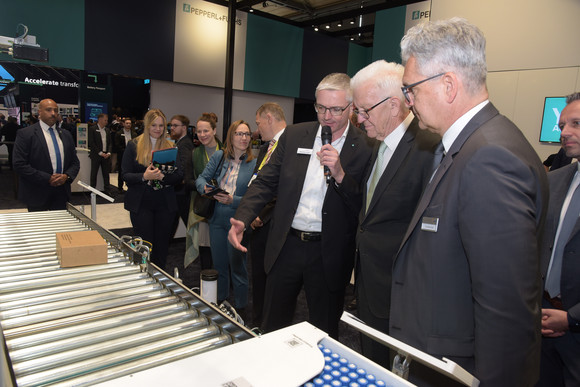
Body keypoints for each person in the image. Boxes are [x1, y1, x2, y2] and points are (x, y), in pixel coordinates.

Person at [389, 18, 548, 386]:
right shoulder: (470, 147)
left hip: (459, 371)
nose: (408, 101)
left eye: (410, 89)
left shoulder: (490, 159)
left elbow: (506, 315)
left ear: (448, 85)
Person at [228, 73, 374, 338]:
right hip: (287, 245)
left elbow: (364, 205)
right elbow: (265, 181)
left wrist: (340, 174)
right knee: (273, 324)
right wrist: (243, 217)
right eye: (321, 107)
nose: (327, 116)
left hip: (328, 252)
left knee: (324, 331)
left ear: (351, 107)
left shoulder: (367, 147)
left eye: (336, 109)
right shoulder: (295, 135)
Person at [350, 60, 440, 367]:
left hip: (401, 295)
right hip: (369, 283)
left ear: (392, 105)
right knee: (372, 362)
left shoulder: (429, 147)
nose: (359, 120)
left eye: (364, 110)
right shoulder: (379, 142)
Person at [537, 92, 580, 386]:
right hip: (540, 325)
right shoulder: (554, 180)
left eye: (576, 123)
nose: (564, 132)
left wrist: (571, 318)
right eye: (563, 125)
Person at [196, 120, 256, 314]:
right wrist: (204, 188)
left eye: (247, 134)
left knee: (237, 267)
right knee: (219, 264)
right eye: (239, 134)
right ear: (231, 136)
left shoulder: (254, 163)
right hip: (216, 218)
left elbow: (254, 197)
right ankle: (221, 304)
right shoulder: (220, 156)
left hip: (238, 220)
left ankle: (240, 308)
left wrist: (234, 200)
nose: (244, 138)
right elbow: (201, 178)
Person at [122, 109, 183, 270]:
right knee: (144, 247)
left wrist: (163, 177)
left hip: (165, 205)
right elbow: (125, 175)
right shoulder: (133, 145)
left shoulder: (171, 146)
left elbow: (179, 176)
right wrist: (144, 176)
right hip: (141, 204)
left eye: (161, 125)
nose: (158, 129)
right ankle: (142, 278)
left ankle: (160, 279)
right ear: (147, 125)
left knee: (162, 247)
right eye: (154, 125)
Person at [248, 102, 287, 326]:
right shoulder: (265, 148)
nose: (257, 129)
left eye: (258, 123)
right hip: (257, 224)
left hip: (275, 224)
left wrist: (262, 214)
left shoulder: (290, 145)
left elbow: (285, 188)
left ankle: (270, 327)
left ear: (269, 118)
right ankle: (258, 324)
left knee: (275, 283)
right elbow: (259, 183)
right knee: (259, 278)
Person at [12, 99, 80, 211]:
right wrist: (48, 178)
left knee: (61, 227)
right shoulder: (26, 134)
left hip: (61, 193)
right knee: (39, 227)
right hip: (37, 192)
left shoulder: (66, 135)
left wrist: (66, 176)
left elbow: (75, 162)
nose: (53, 113)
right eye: (49, 110)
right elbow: (19, 164)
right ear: (39, 112)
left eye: (55, 110)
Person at [185, 112, 223, 270]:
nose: (202, 135)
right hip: (204, 207)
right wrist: (205, 188)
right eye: (199, 131)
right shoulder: (194, 154)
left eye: (206, 131)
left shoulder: (228, 152)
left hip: (224, 206)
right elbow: (187, 182)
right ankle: (207, 283)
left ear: (214, 130)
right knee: (206, 247)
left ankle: (225, 286)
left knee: (224, 248)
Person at [169, 114, 195, 231]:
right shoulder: (181, 142)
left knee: (188, 224)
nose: (172, 128)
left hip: (181, 192)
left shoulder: (184, 144)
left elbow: (184, 168)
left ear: (184, 128)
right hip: (180, 191)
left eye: (175, 125)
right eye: (171, 125)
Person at [88, 113, 112, 194]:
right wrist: (100, 153)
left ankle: (107, 190)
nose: (106, 122)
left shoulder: (107, 130)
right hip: (96, 155)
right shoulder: (92, 129)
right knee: (94, 173)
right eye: (105, 120)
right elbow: (92, 143)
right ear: (100, 119)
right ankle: (93, 190)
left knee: (106, 174)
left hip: (106, 156)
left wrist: (108, 152)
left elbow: (110, 143)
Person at [114, 118, 137, 192]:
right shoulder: (118, 133)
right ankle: (120, 188)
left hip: (132, 156)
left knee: (131, 171)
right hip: (122, 155)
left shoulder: (134, 134)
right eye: (127, 123)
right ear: (123, 124)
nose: (128, 125)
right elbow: (117, 145)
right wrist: (126, 152)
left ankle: (130, 186)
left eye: (130, 123)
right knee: (121, 171)